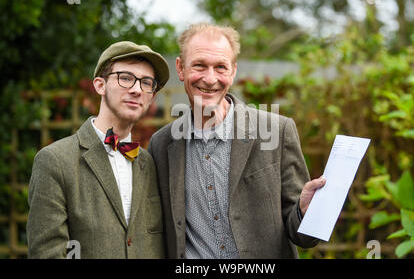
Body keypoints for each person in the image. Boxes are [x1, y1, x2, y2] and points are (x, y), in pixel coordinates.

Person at [148, 23, 326, 259]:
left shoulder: (277, 131)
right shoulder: (161, 145)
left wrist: (306, 211)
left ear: (232, 72)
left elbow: (305, 238)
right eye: (199, 65)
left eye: (220, 67)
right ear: (180, 68)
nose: (210, 79)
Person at [27, 41, 169, 258]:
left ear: (152, 97)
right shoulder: (54, 161)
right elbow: (47, 253)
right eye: (126, 78)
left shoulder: (151, 163)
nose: (136, 89)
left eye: (146, 83)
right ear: (100, 85)